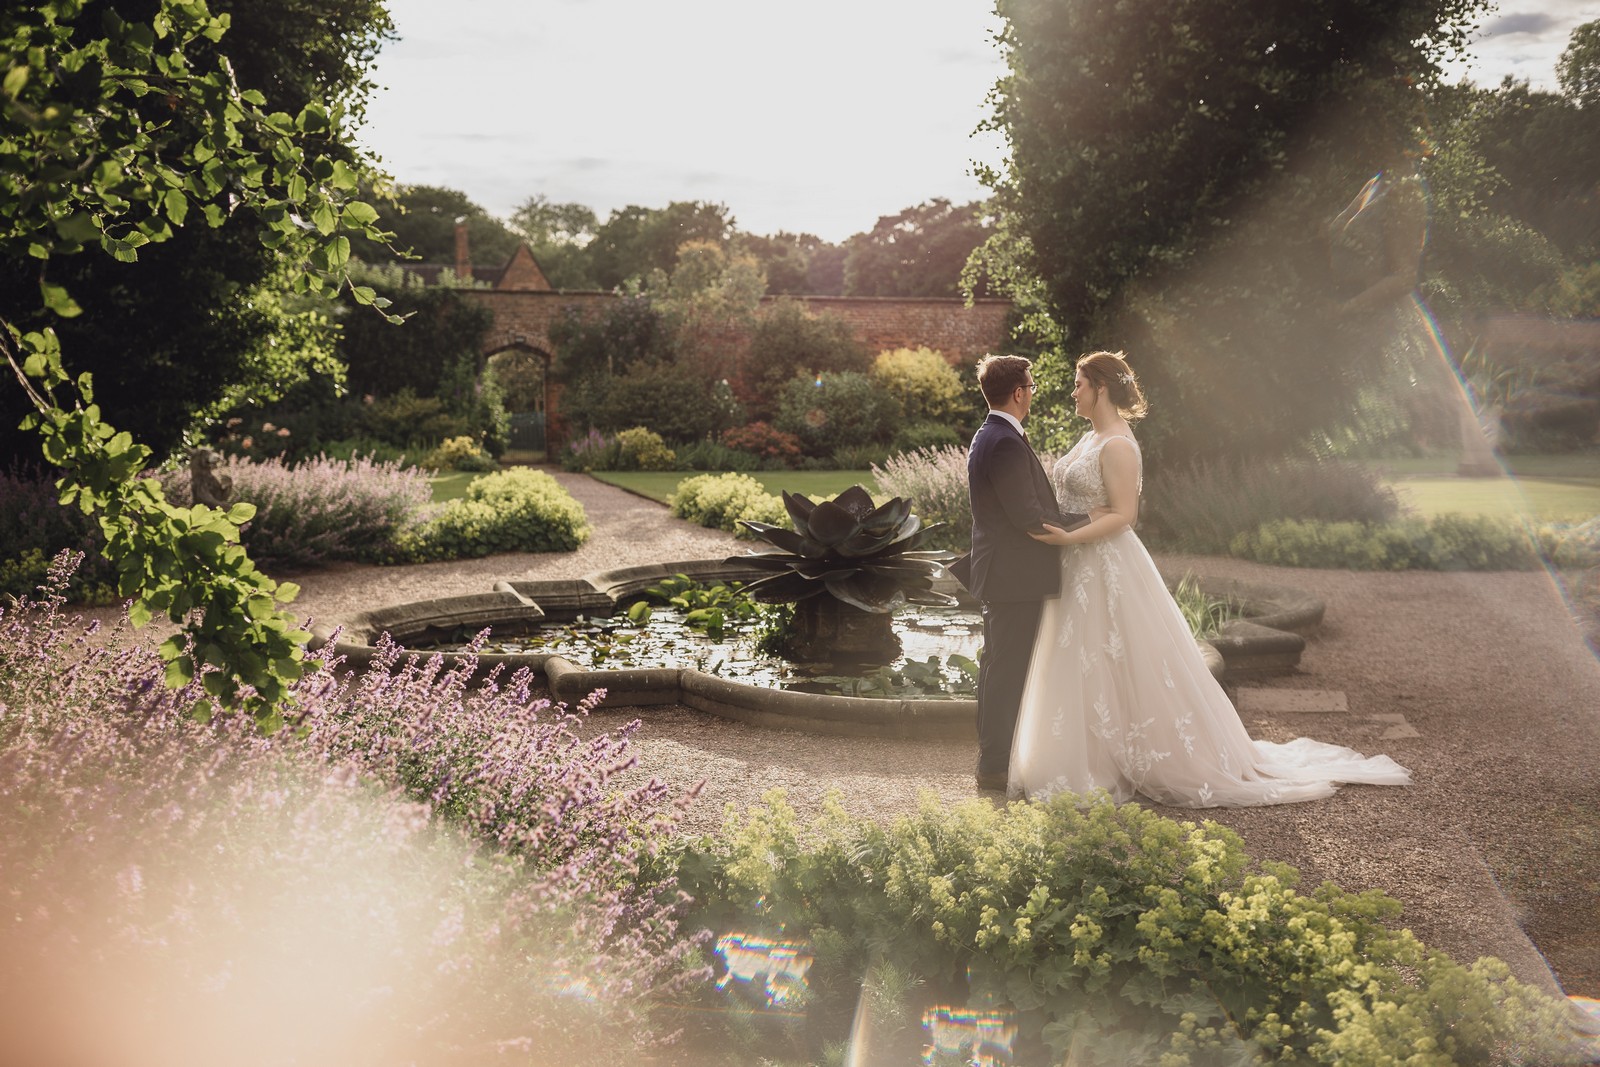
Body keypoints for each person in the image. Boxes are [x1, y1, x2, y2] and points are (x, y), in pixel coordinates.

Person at [1010, 351, 1411, 806]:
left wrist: (1068, 537)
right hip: (1078, 562)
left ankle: (1127, 760)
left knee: (1116, 657)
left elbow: (1124, 515)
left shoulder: (1118, 444)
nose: (1073, 391)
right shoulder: (1091, 437)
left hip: (1103, 562)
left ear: (1100, 388)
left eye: (1079, 384)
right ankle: (1089, 756)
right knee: (1086, 659)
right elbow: (1090, 503)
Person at [958, 354, 1087, 792]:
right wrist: (1091, 524)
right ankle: (994, 765)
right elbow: (1030, 518)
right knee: (1007, 670)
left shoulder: (989, 435)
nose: (1032, 394)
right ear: (1018, 392)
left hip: (1002, 574)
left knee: (998, 666)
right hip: (1013, 578)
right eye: (1031, 387)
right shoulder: (1005, 441)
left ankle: (994, 759)